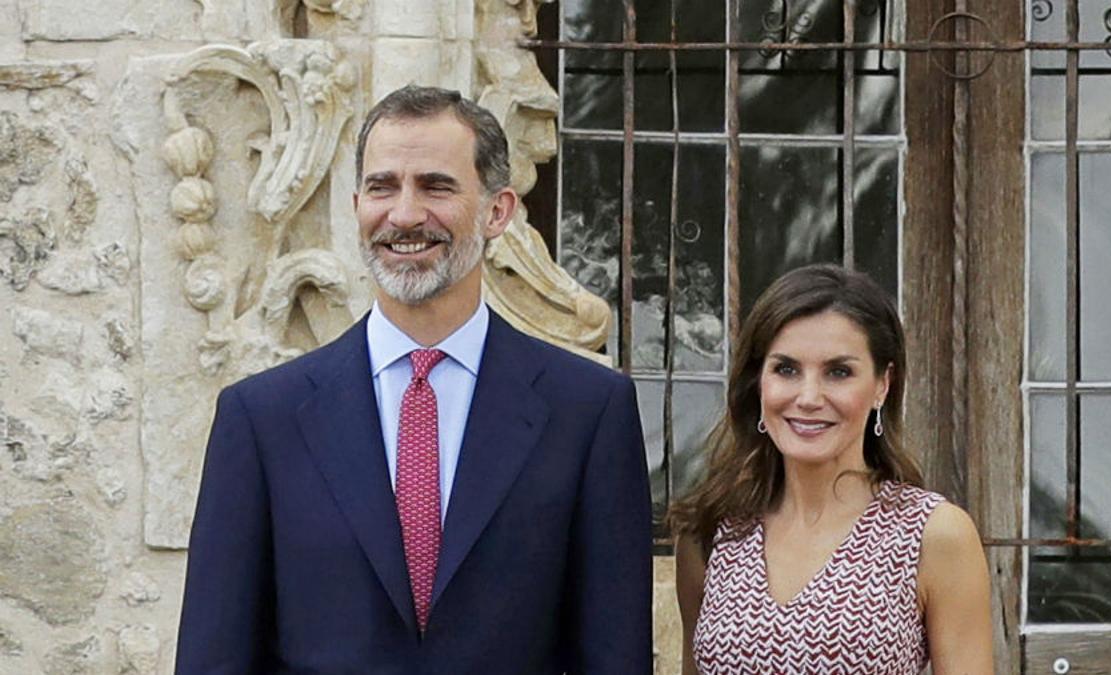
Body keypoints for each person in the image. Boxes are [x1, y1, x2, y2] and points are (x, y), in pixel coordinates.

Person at [176, 85, 653, 674]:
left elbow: (615, 657)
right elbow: (214, 657)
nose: (403, 214)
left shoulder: (588, 411)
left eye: (436, 185)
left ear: (497, 210)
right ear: (356, 205)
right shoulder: (261, 420)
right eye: (382, 187)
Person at [670, 264, 993, 674]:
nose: (808, 397)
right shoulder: (711, 529)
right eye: (786, 369)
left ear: (882, 384)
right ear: (758, 382)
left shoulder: (934, 534)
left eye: (838, 372)